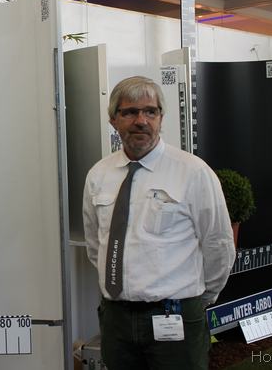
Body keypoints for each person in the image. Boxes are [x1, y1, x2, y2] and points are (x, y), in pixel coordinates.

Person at [82, 76, 235, 370]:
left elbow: (218, 245)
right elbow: (95, 245)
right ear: (113, 120)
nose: (141, 120)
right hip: (116, 320)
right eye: (130, 112)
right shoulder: (98, 175)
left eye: (150, 111)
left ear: (161, 118)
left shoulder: (193, 172)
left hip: (175, 316)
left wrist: (199, 298)